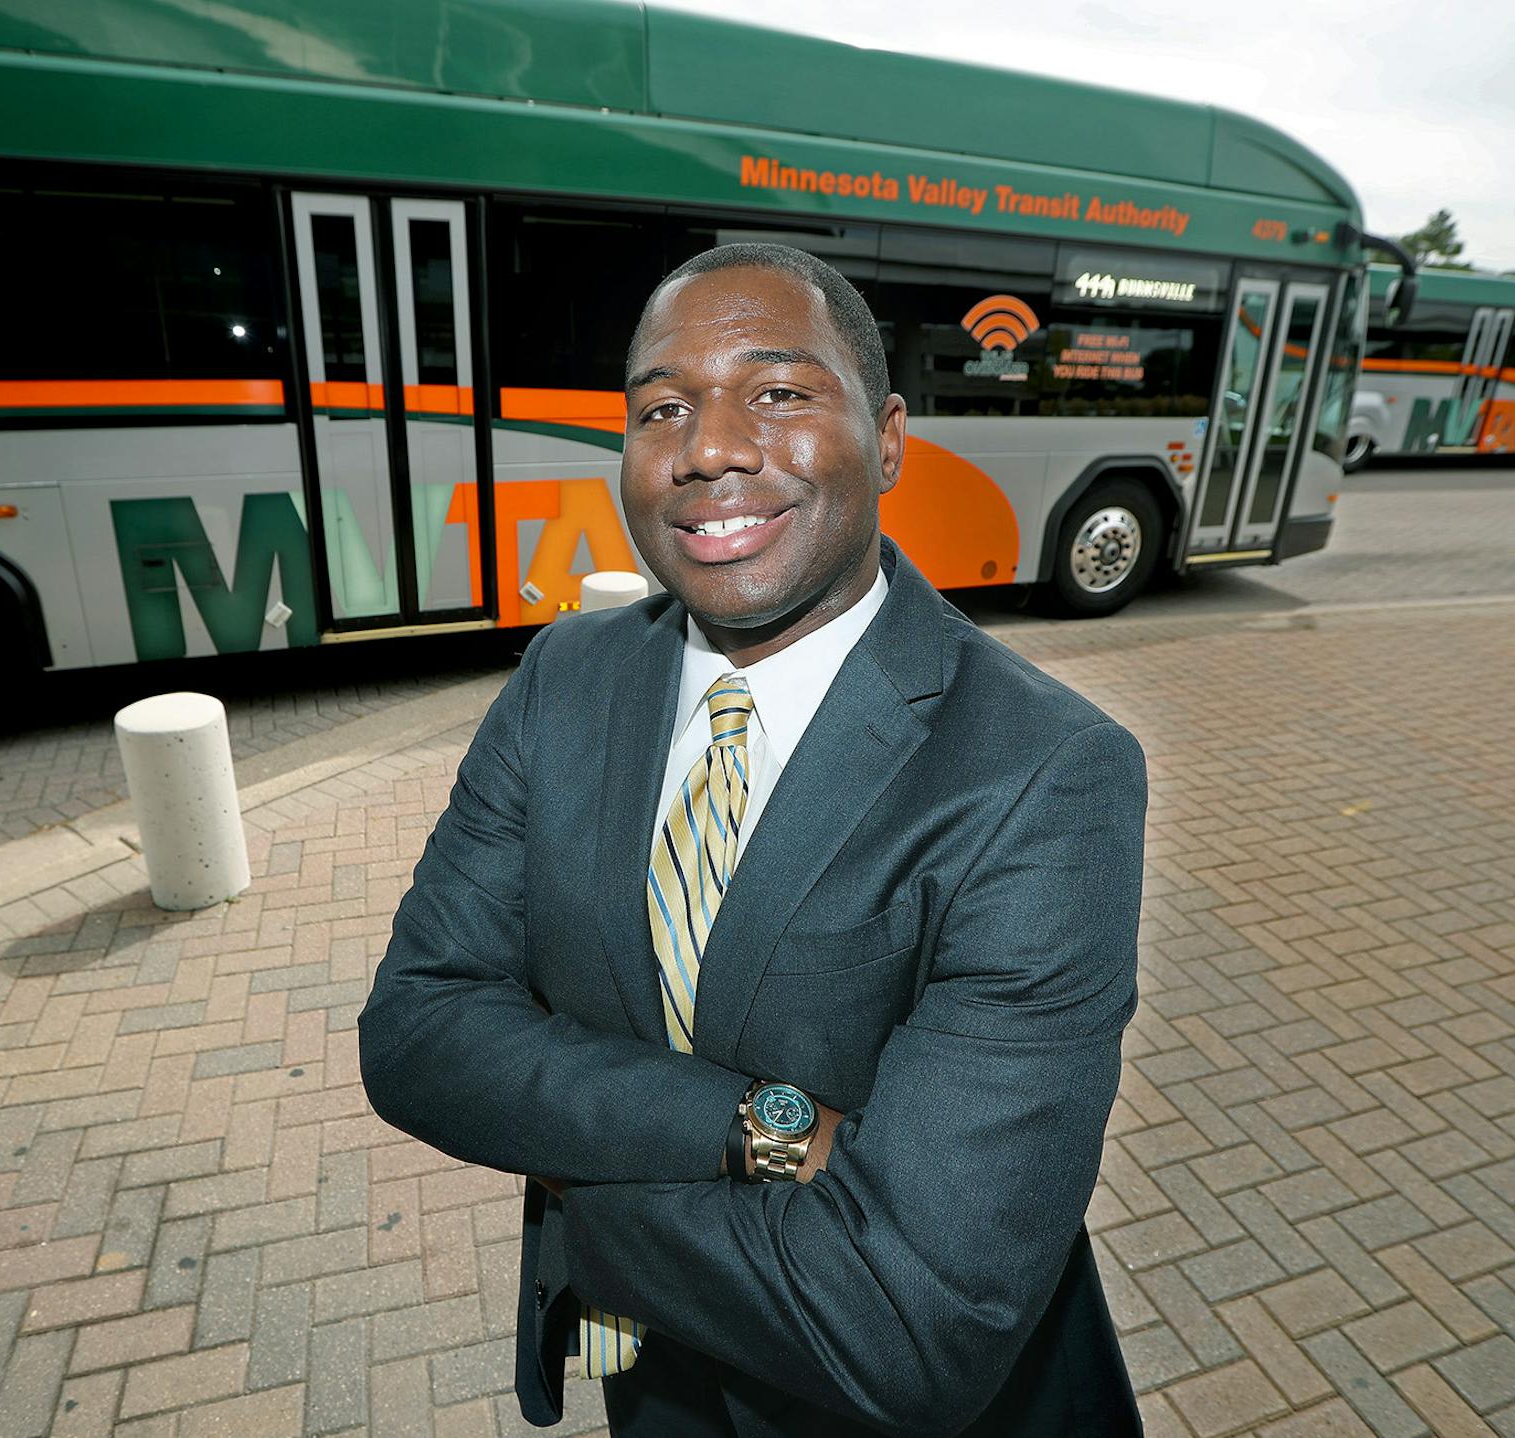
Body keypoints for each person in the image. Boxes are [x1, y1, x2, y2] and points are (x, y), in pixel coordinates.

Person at [359, 242, 1146, 1436]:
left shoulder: (1041, 773)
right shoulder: (563, 679)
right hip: (656, 1398)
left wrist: (577, 1199)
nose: (709, 446)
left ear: (886, 438)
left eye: (777, 393)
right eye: (661, 408)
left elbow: (908, 1316)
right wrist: (763, 1127)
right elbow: (417, 1030)